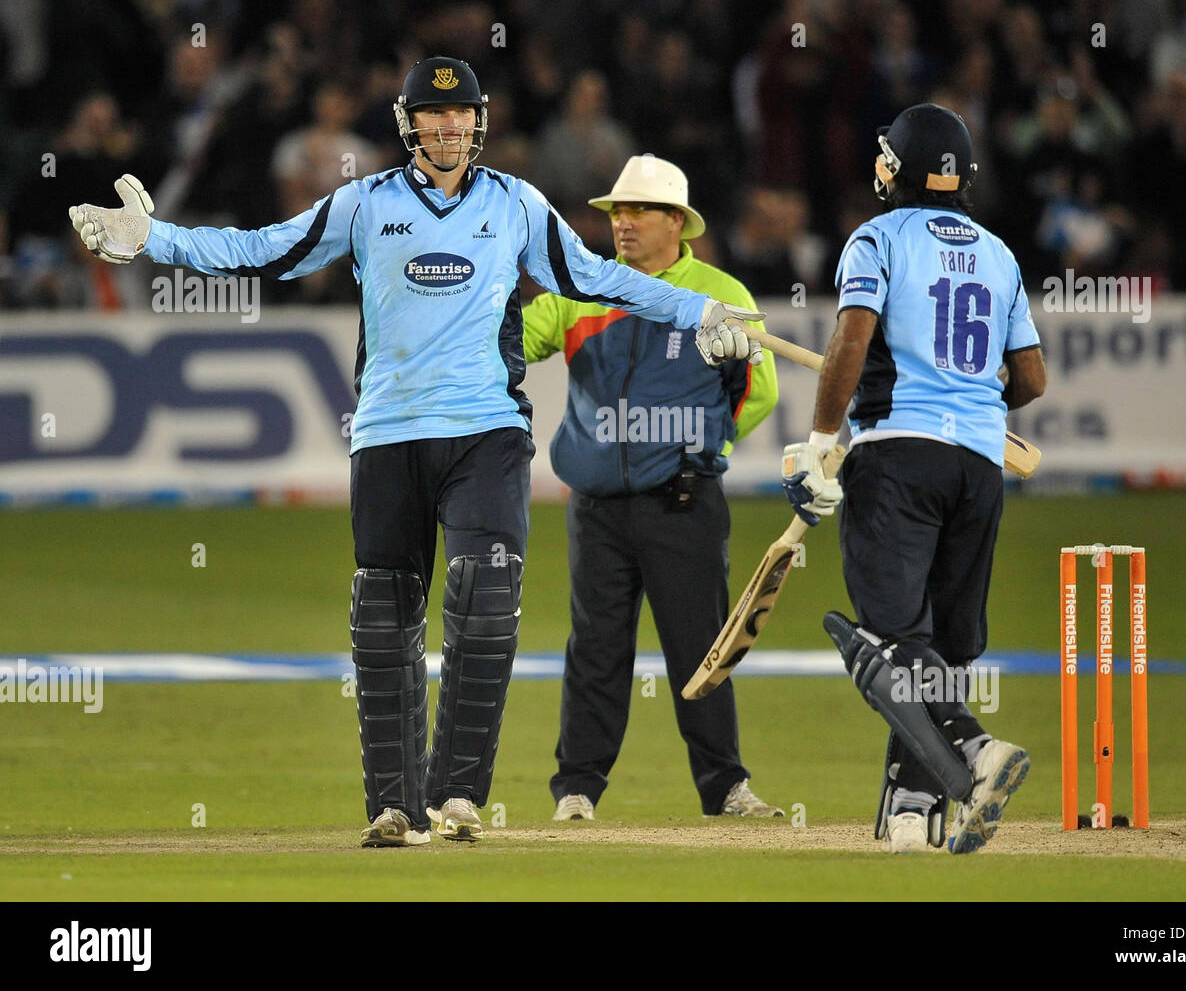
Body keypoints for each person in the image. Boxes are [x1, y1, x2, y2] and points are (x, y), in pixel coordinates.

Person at [67, 56, 763, 848]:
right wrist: (153, 237)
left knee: (486, 601)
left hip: (487, 431)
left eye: (460, 116)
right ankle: (394, 807)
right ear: (408, 125)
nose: (447, 129)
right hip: (388, 431)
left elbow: (603, 278)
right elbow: (262, 250)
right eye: (433, 118)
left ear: (479, 122)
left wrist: (699, 309)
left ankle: (459, 796)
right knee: (383, 620)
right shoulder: (364, 204)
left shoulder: (516, 205)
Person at [779, 104, 1047, 854]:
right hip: (979, 466)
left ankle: (974, 746)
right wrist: (976, 397)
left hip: (899, 455)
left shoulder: (877, 238)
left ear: (897, 167)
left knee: (892, 640)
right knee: (942, 648)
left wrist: (820, 444)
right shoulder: (999, 254)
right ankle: (910, 808)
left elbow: (851, 344)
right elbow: (1031, 376)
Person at [522, 155, 782, 821]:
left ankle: (725, 786)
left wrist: (706, 448)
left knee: (703, 647)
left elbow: (760, 390)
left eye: (637, 211)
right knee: (596, 648)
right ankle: (576, 788)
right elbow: (517, 342)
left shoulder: (719, 296)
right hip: (598, 505)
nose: (622, 223)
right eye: (615, 212)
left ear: (676, 223)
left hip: (685, 501)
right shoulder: (581, 289)